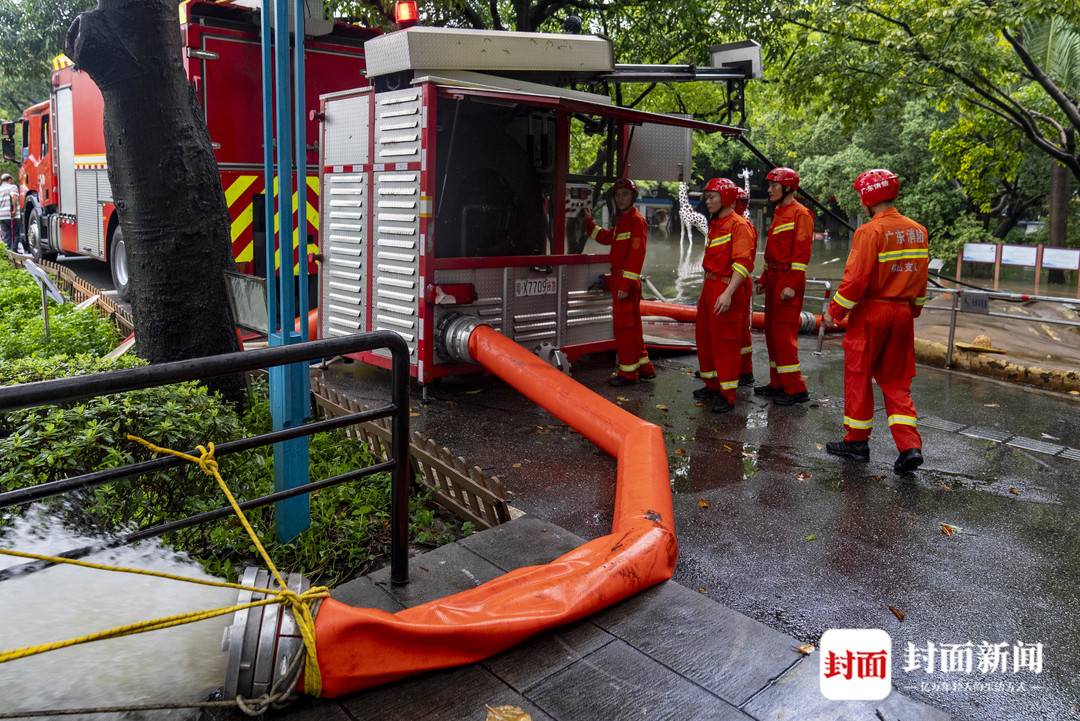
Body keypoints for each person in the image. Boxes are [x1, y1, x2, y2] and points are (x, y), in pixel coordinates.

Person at [824, 168, 928, 474]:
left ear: (867, 198)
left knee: (859, 376)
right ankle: (909, 447)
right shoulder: (917, 231)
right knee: (897, 382)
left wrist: (835, 311)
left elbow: (856, 281)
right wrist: (914, 309)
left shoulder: (869, 232)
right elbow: (921, 280)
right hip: (903, 313)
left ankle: (856, 443)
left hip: (872, 313)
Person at [583, 178, 655, 386]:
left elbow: (636, 255)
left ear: (633, 197)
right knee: (633, 328)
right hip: (621, 280)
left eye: (625, 194)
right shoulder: (623, 220)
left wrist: (626, 284)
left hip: (625, 282)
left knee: (624, 329)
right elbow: (607, 238)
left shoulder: (636, 221)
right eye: (618, 195)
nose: (621, 198)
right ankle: (644, 367)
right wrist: (590, 223)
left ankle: (628, 373)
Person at [692, 178, 755, 413]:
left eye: (712, 197)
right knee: (706, 338)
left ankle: (727, 394)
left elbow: (743, 263)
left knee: (725, 342)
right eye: (706, 197)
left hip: (726, 287)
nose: (707, 201)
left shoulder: (739, 225)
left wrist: (728, 293)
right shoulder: (716, 223)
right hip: (710, 286)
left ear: (726, 198)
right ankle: (711, 385)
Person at [754, 167, 813, 405]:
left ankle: (796, 389)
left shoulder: (802, 214)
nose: (769, 190)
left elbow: (801, 255)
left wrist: (791, 285)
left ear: (788, 187)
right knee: (772, 334)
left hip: (788, 280)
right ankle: (777, 383)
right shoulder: (780, 211)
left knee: (784, 336)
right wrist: (765, 279)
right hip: (775, 278)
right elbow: (773, 254)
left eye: (773, 186)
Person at [734, 187, 756, 386]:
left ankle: (744, 370)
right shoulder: (723, 223)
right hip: (731, 281)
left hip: (738, 282)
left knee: (740, 328)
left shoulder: (742, 225)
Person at [0, 173, 17, 252]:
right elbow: (14, 197)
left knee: (6, 236)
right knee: (16, 234)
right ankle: (13, 252)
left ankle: (6, 253)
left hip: (1, 216)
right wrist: (14, 209)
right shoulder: (12, 187)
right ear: (9, 179)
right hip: (11, 215)